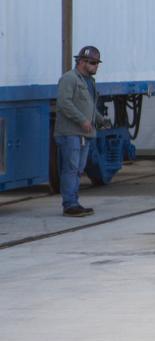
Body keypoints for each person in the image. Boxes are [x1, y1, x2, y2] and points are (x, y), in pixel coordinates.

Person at [54, 45, 113, 217]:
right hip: (71, 132)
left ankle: (74, 202)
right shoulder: (69, 79)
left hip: (84, 133)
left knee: (78, 169)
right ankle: (69, 204)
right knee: (71, 168)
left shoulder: (89, 82)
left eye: (97, 63)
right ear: (81, 62)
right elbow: (64, 103)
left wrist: (100, 120)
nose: (96, 66)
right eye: (93, 62)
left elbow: (89, 107)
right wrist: (82, 120)